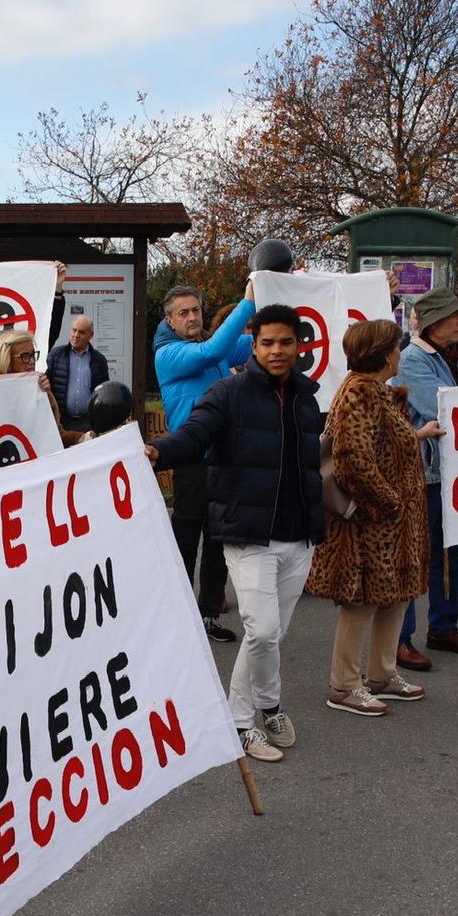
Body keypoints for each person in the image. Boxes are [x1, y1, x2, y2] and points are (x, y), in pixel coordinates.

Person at [146, 302, 322, 764]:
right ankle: (245, 720)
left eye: (286, 342)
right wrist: (157, 453)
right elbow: (194, 435)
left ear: (298, 346)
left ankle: (264, 707)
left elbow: (310, 460)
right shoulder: (228, 393)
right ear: (254, 346)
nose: (277, 351)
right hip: (248, 533)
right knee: (261, 631)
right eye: (267, 343)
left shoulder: (307, 397)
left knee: (271, 635)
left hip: (297, 536)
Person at [307, 319, 431, 716]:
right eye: (397, 345)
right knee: (361, 602)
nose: (400, 351)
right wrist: (389, 503)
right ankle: (344, 685)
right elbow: (353, 460)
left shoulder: (377, 391)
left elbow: (380, 445)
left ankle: (381, 674)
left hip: (391, 521)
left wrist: (417, 435)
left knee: (394, 596)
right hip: (372, 522)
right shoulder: (360, 392)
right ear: (383, 351)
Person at [155, 281, 256, 644]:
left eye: (196, 310)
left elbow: (260, 342)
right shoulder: (167, 353)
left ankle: (208, 614)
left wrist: (280, 291)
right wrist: (246, 303)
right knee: (185, 539)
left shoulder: (211, 349)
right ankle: (177, 615)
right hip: (192, 458)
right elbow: (217, 349)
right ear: (169, 319)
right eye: (183, 313)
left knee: (217, 541)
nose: (193, 317)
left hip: (224, 457)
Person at [393, 288, 458, 666]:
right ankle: (401, 638)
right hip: (421, 473)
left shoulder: (455, 360)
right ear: (433, 322)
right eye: (454, 318)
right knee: (414, 557)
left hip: (447, 473)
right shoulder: (412, 360)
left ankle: (444, 626)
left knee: (447, 554)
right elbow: (443, 406)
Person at [47, 315, 110, 432]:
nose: (76, 335)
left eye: (81, 332)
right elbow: (46, 387)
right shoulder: (56, 355)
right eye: (74, 330)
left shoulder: (99, 360)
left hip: (88, 423)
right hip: (61, 422)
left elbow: (104, 393)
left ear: (91, 336)